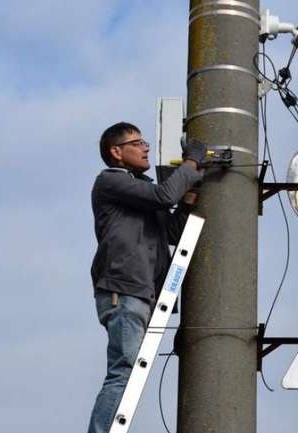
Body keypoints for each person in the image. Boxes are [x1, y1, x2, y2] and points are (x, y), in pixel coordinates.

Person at [87, 122, 206, 433]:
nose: (146, 148)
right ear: (116, 152)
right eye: (137, 143)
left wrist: (189, 198)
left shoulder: (141, 193)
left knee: (127, 372)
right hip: (125, 290)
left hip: (142, 292)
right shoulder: (111, 181)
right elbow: (164, 195)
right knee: (123, 372)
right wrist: (191, 163)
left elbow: (171, 233)